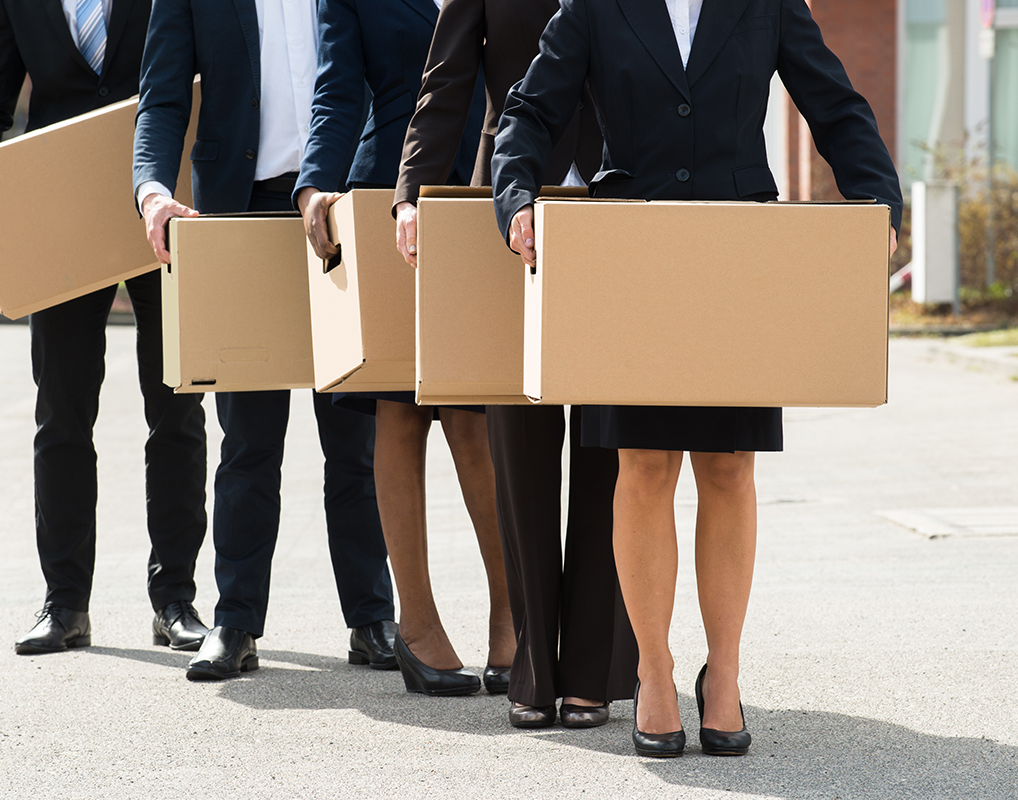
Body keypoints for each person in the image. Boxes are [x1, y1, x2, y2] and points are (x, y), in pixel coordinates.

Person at [492, 0, 902, 756]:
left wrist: (877, 198)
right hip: (631, 256)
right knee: (643, 465)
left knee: (728, 465)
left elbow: (834, 102)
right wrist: (515, 197)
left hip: (737, 257)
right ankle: (654, 671)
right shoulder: (592, 5)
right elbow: (529, 109)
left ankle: (726, 676)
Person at [133, 0, 397, 681]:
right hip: (238, 211)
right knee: (248, 439)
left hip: (338, 207)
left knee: (353, 439)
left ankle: (373, 619)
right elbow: (161, 100)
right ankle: (237, 621)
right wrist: (153, 190)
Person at [0, 0, 211, 656]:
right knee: (61, 416)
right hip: (57, 214)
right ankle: (64, 605)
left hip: (166, 204)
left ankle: (175, 599)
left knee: (176, 410)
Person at [393, 0, 638, 728]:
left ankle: (591, 671)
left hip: (616, 202)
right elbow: (446, 80)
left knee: (606, 450)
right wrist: (412, 195)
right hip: (507, 210)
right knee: (519, 453)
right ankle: (532, 664)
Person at [294, 0, 515, 697]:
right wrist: (313, 185)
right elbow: (336, 87)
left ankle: (512, 619)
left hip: (484, 191)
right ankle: (417, 627)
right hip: (387, 194)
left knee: (475, 418)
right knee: (400, 410)